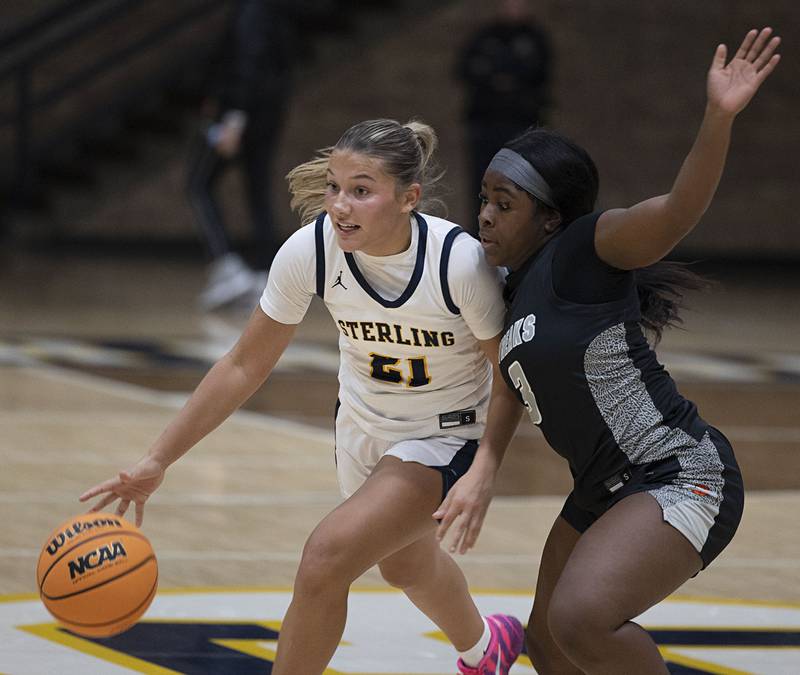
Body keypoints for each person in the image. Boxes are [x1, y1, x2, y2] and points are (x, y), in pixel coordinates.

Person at [80, 119, 527, 675]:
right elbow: (244, 365)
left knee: (324, 559)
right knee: (405, 567)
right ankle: (488, 650)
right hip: (361, 428)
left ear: (409, 198)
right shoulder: (312, 249)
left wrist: (485, 468)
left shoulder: (458, 264)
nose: (340, 205)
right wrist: (158, 458)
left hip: (444, 436)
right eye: (335, 187)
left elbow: (510, 378)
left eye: (362, 190)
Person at [435, 28, 781, 673]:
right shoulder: (507, 287)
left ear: (549, 220)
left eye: (502, 204)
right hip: (602, 487)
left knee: (581, 619)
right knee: (548, 643)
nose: (483, 214)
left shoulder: (589, 249)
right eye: (483, 198)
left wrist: (718, 117)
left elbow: (677, 210)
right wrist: (485, 465)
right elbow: (512, 383)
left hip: (679, 473)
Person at [187, 0, 296, 310]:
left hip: (242, 113)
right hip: (267, 115)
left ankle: (226, 266)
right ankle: (265, 276)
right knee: (258, 191)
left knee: (198, 183)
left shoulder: (255, 10)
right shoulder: (276, 12)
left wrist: (234, 115)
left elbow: (248, 61)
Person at [457, 0, 552, 220]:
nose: (513, 8)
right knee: (482, 181)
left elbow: (538, 74)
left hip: (522, 123)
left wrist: (503, 75)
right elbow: (466, 69)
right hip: (485, 122)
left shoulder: (534, 38)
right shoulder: (486, 37)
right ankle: (479, 227)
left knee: (522, 181)